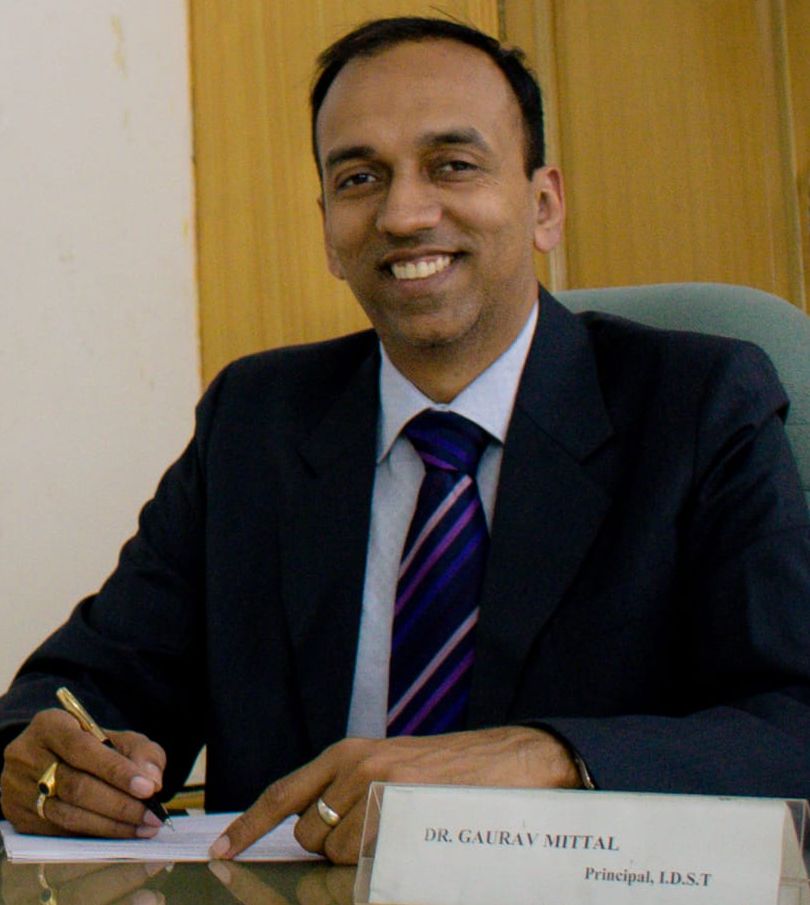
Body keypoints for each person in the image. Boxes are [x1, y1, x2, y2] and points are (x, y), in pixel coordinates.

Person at [1, 16, 809, 867]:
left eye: (452, 165)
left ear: (544, 205)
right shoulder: (257, 421)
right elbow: (79, 691)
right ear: (328, 230)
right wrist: (44, 760)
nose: (404, 213)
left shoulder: (697, 405)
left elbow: (793, 722)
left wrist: (547, 756)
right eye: (360, 178)